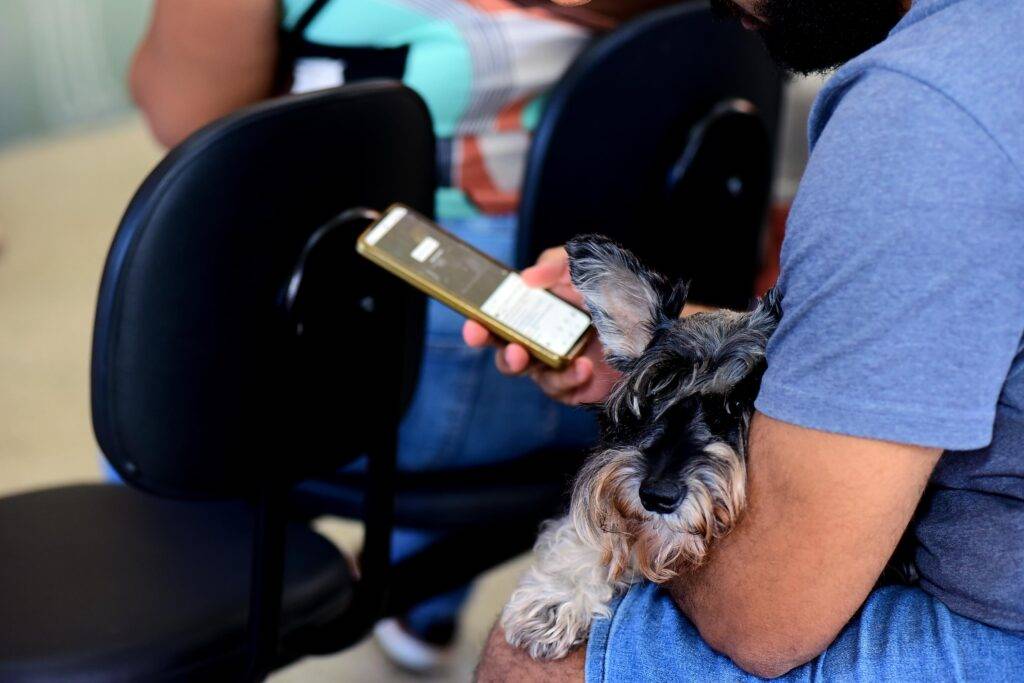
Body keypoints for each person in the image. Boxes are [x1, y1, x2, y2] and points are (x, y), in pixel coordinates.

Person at [468, 0, 1024, 680]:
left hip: (998, 623)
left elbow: (766, 615)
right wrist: (677, 352)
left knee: (529, 658)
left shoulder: (923, 113)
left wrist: (608, 546)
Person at [126, 0, 669, 672]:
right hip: (629, 355)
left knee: (154, 397)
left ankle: (171, 620)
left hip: (396, 378)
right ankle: (425, 599)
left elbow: (180, 113)